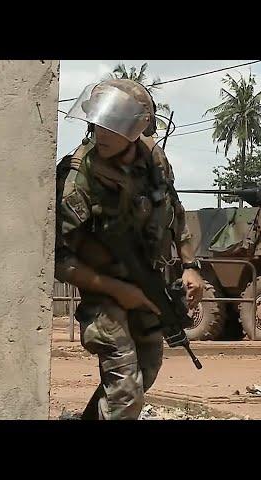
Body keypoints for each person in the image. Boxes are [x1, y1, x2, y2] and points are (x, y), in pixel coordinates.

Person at [55, 79, 204, 419]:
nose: (101, 132)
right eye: (97, 122)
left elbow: (173, 210)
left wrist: (191, 266)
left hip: (147, 279)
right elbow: (58, 260)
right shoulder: (76, 178)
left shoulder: (154, 159)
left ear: (137, 128)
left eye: (113, 125)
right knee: (124, 392)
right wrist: (118, 290)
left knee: (146, 369)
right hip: (102, 288)